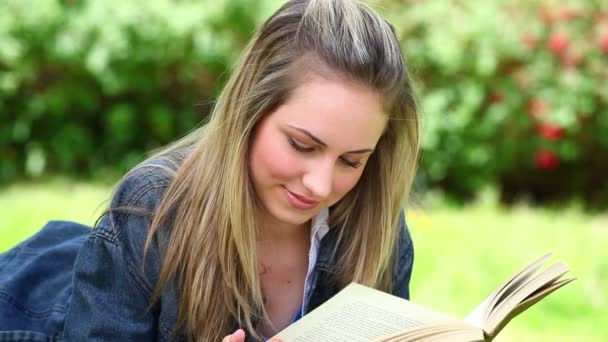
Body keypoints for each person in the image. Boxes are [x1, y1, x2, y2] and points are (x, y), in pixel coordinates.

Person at [0, 0, 420, 341]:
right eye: (302, 145)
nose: (320, 184)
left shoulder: (377, 228)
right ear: (248, 113)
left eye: (352, 160)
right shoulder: (151, 212)